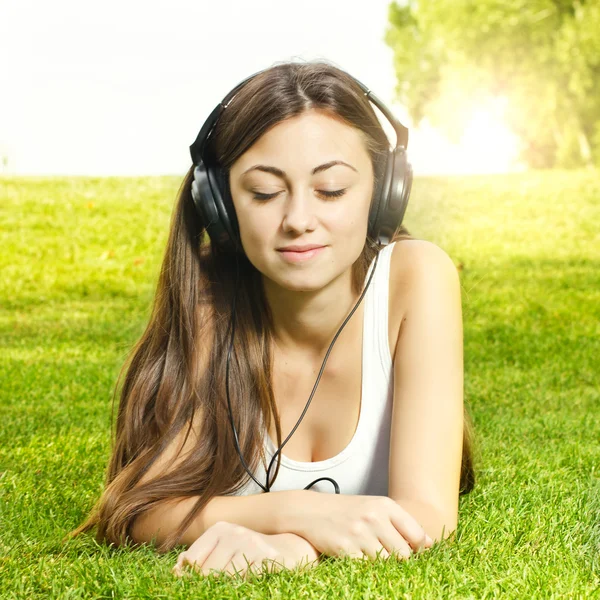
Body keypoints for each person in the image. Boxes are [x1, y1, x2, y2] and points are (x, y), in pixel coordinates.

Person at [68, 60, 475, 579]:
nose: (299, 220)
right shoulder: (208, 304)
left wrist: (289, 544)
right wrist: (299, 517)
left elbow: (428, 520)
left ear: (384, 194)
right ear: (218, 203)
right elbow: (140, 511)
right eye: (263, 193)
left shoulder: (418, 279)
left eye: (330, 190)